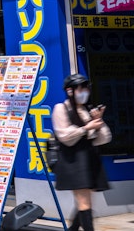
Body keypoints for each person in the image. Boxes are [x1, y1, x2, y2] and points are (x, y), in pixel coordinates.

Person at [52, 73, 112, 231]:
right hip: (73, 160)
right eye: (80, 89)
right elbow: (65, 136)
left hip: (89, 157)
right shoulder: (61, 108)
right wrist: (87, 128)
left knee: (85, 201)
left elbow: (103, 139)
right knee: (85, 202)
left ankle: (72, 229)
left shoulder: (88, 110)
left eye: (86, 88)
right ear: (70, 91)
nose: (84, 92)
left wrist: (98, 122)